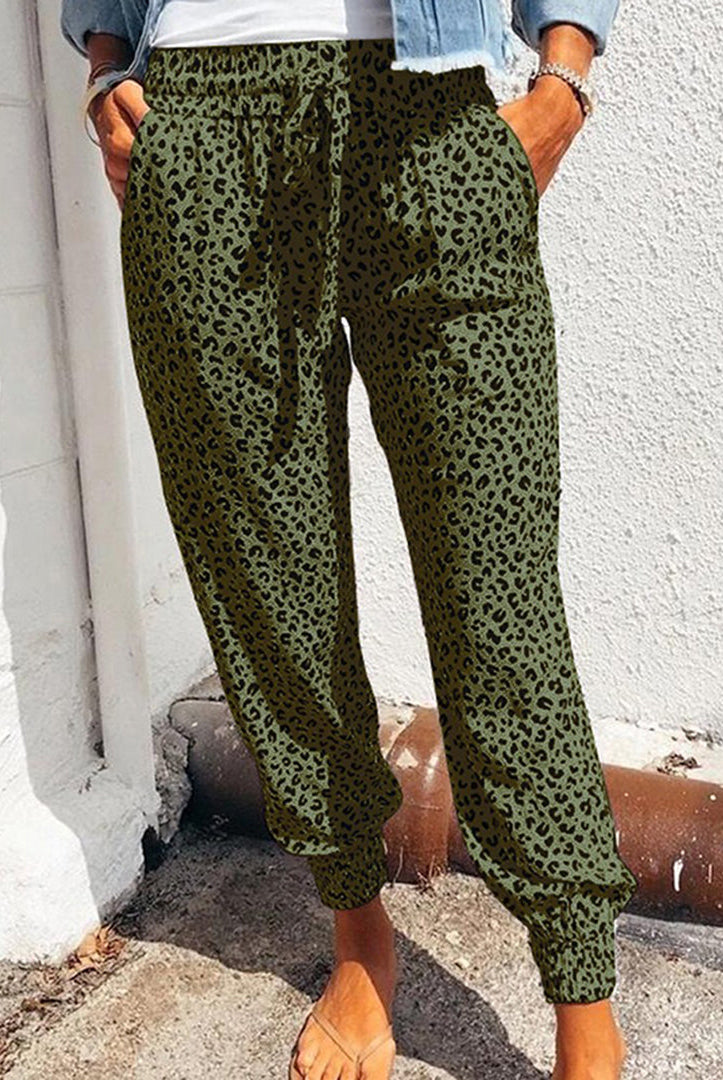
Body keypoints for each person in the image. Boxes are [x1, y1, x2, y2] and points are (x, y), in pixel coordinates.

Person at [59, 1, 638, 1077]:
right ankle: (359, 938)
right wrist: (103, 65)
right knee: (269, 587)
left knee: (497, 587)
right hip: (203, 124)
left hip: (426, 115)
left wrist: (564, 76)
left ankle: (580, 986)